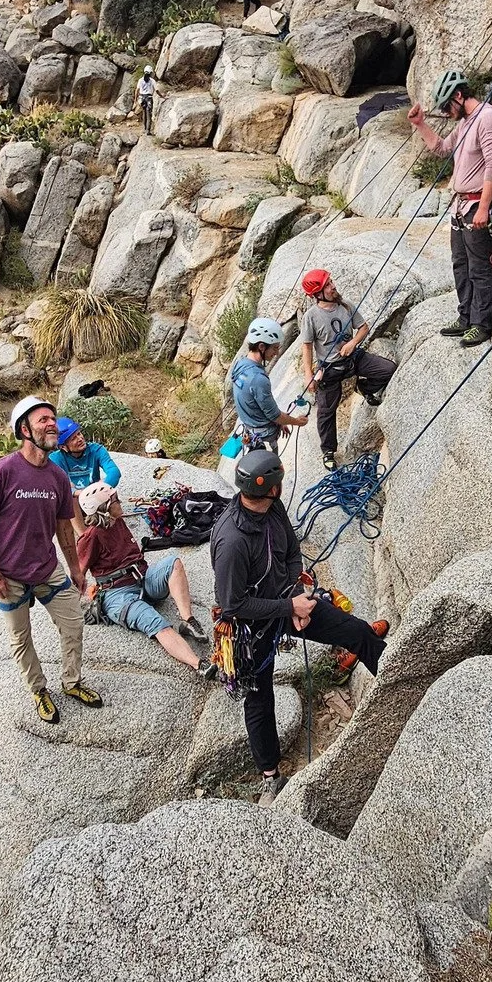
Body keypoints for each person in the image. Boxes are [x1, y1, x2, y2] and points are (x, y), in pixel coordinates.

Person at [209, 450, 390, 806]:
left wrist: (296, 595)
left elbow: (292, 552)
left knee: (356, 631)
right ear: (271, 488)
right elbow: (233, 604)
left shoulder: (271, 509)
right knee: (259, 699)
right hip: (251, 627)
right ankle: (271, 777)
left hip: (289, 603)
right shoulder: (231, 540)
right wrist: (288, 606)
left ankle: (398, 678)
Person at [0, 396, 104, 725]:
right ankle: (39, 690)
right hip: (9, 575)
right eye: (44, 419)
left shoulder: (58, 478)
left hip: (47, 568)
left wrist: (76, 568)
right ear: (24, 429)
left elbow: (63, 525)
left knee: (73, 623)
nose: (52, 424)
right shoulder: (2, 472)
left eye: (53, 419)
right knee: (21, 638)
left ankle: (72, 682)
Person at [76, 482, 218, 680]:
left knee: (173, 563)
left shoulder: (117, 521)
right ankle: (198, 664)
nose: (120, 502)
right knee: (156, 622)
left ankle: (187, 621)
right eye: (115, 500)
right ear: (104, 508)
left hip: (142, 578)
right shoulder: (90, 538)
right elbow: (78, 573)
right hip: (118, 595)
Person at [408, 68, 492, 348]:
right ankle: (465, 316)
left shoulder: (487, 119)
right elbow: (441, 148)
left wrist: (485, 207)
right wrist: (420, 124)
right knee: (461, 265)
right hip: (461, 205)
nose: (445, 112)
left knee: (479, 267)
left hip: (478, 203)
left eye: (446, 106)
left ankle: (481, 324)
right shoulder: (465, 123)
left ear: (459, 96)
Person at [299, 269, 396, 471]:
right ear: (317, 294)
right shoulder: (311, 317)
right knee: (326, 412)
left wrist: (352, 343)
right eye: (327, 285)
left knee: (388, 369)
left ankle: (364, 387)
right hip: (330, 368)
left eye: (331, 282)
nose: (333, 286)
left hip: (352, 358)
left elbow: (363, 327)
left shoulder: (345, 305)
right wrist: (309, 374)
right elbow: (307, 345)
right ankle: (328, 451)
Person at [230, 317, 308, 454]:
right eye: (275, 348)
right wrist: (296, 421)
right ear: (261, 347)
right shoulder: (258, 379)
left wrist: (280, 421)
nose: (276, 353)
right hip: (264, 436)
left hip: (249, 429)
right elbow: (274, 415)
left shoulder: (240, 365)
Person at [51, 418, 122, 533]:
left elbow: (114, 472)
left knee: (112, 492)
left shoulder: (96, 450)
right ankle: (84, 537)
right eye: (73, 438)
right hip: (76, 501)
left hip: (96, 496)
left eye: (79, 433)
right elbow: (58, 486)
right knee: (70, 498)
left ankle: (119, 532)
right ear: (63, 447)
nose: (80, 438)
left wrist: (100, 487)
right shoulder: (56, 459)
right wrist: (79, 493)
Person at [134, 65, 163, 136]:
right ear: (151, 73)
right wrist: (162, 96)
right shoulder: (152, 81)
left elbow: (137, 90)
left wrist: (135, 99)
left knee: (144, 113)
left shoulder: (140, 80)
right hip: (149, 98)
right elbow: (157, 91)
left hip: (141, 98)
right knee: (148, 115)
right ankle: (148, 131)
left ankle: (144, 129)